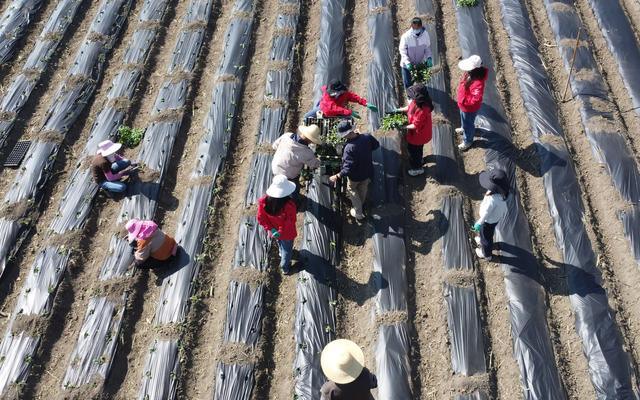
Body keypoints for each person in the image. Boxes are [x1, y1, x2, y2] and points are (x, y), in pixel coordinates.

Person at [329, 120, 379, 221]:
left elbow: (348, 169)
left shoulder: (349, 148)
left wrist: (337, 176)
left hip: (355, 176)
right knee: (363, 188)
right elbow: (376, 145)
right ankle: (361, 204)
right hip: (367, 171)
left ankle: (358, 213)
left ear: (346, 134)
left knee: (352, 190)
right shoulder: (367, 137)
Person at [257, 175, 297, 274]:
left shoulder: (264, 202)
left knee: (280, 242)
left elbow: (261, 218)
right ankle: (285, 268)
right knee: (287, 250)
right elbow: (291, 221)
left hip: (273, 232)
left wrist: (272, 229)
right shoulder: (289, 205)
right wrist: (280, 231)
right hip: (286, 234)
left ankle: (280, 252)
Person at [272, 124, 322, 195]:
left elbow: (274, 146)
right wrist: (319, 159)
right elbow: (315, 164)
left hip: (276, 167)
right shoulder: (306, 152)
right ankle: (294, 200)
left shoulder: (287, 135)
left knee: (278, 187)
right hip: (289, 175)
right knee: (294, 190)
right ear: (311, 140)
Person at [395, 83, 434, 176]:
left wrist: (403, 127)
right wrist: (399, 110)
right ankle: (420, 159)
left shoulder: (423, 110)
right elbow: (409, 107)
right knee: (418, 149)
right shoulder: (417, 101)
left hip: (419, 135)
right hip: (418, 134)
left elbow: (416, 125)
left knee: (413, 151)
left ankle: (417, 168)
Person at [472, 169, 509, 260]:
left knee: (486, 238)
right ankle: (482, 240)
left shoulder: (492, 199)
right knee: (488, 234)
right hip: (495, 220)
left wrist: (479, 223)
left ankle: (486, 254)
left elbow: (486, 213)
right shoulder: (502, 194)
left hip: (487, 221)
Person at [456, 55, 488, 151]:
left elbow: (476, 99)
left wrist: (464, 101)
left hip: (469, 108)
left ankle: (468, 140)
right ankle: (463, 127)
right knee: (463, 118)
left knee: (468, 124)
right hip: (463, 105)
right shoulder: (470, 74)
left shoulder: (478, 83)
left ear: (475, 69)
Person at [305, 79, 378, 119]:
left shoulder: (343, 92)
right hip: (325, 109)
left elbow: (351, 96)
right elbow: (333, 108)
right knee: (307, 117)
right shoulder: (327, 95)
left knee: (349, 121)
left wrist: (365, 103)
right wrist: (349, 112)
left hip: (339, 112)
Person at [399, 17, 433, 89]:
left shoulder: (425, 35)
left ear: (421, 26)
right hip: (407, 65)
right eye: (414, 28)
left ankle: (420, 94)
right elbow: (402, 51)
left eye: (418, 28)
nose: (416, 30)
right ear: (411, 26)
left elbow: (427, 47)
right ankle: (410, 97)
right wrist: (408, 63)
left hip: (419, 63)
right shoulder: (406, 37)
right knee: (408, 82)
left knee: (420, 81)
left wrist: (429, 57)